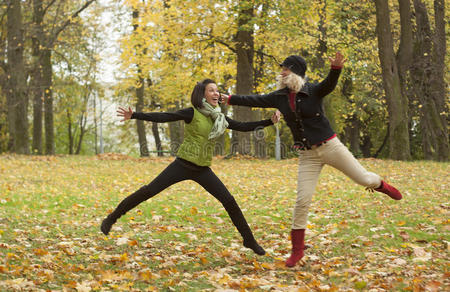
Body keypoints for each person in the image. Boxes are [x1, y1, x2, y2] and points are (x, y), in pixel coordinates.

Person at [221, 52, 402, 267]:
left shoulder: (313, 90)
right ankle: (297, 250)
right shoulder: (278, 96)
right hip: (307, 155)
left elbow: (329, 85)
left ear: (295, 71)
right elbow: (255, 100)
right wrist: (229, 98)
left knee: (363, 178)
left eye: (285, 68)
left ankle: (381, 185)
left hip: (331, 146)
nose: (282, 72)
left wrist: (335, 69)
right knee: (302, 200)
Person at [100, 79, 281, 256]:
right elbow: (165, 117)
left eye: (217, 90)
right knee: (148, 191)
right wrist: (136, 115)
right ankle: (111, 218)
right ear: (202, 94)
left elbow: (242, 126)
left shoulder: (219, 118)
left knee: (229, 201)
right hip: (183, 164)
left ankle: (248, 239)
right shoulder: (192, 113)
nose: (216, 93)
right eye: (211, 90)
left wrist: (269, 122)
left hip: (202, 169)